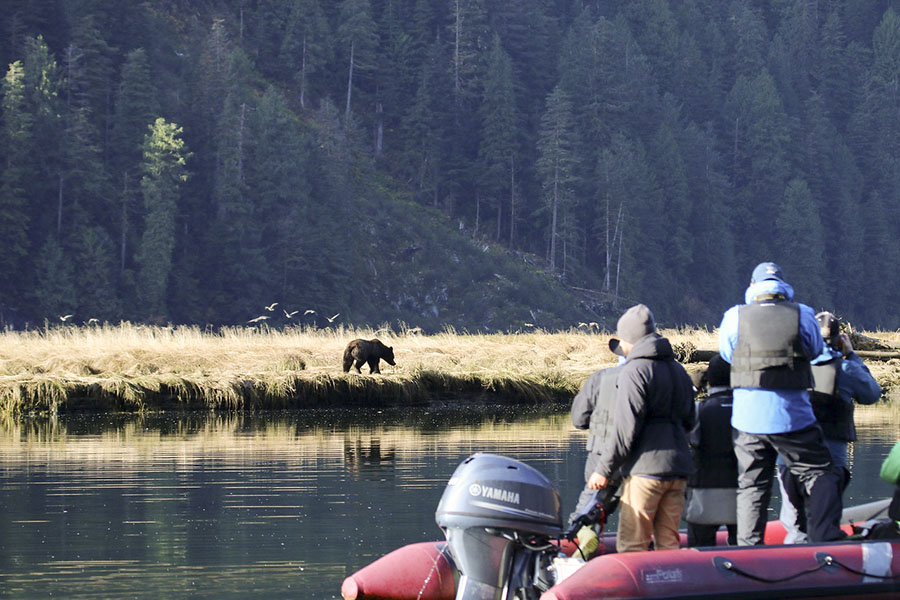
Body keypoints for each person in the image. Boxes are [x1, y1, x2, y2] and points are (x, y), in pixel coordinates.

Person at [719, 261, 844, 545]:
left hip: (747, 419)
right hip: (792, 416)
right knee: (820, 473)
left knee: (751, 484)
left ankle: (749, 549)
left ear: (752, 287)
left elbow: (727, 355)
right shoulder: (803, 313)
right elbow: (814, 350)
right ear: (783, 287)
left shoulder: (734, 316)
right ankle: (826, 538)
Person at [588, 303, 695, 553]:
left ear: (629, 341)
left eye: (623, 342)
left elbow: (626, 429)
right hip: (678, 469)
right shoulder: (679, 371)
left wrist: (603, 470)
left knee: (632, 545)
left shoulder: (634, 371)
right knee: (668, 543)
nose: (621, 348)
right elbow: (690, 420)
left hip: (645, 472)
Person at [778, 311, 882, 543]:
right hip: (830, 461)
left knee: (795, 525)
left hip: (789, 460)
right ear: (838, 339)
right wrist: (852, 355)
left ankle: (790, 556)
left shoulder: (789, 366)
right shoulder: (846, 369)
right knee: (824, 527)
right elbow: (872, 394)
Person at [568, 353, 621, 556]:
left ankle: (584, 534)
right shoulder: (660, 375)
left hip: (601, 454)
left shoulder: (600, 377)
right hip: (644, 461)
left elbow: (579, 419)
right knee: (637, 517)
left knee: (591, 505)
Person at [685, 355, 738, 547]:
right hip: (743, 490)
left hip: (704, 489)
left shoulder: (700, 409)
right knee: (744, 548)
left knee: (699, 548)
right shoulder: (748, 410)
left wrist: (693, 389)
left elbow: (681, 426)